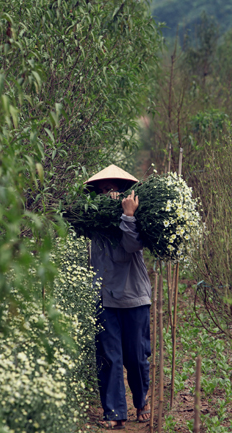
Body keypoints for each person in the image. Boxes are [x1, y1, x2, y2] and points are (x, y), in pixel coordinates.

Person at [84, 165, 152, 430]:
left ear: (123, 193)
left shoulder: (134, 218)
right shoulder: (94, 224)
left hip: (134, 297)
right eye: (101, 191)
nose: (106, 195)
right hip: (105, 299)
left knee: (136, 357)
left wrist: (128, 215)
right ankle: (114, 412)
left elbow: (132, 246)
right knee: (109, 357)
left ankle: (141, 402)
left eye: (111, 189)